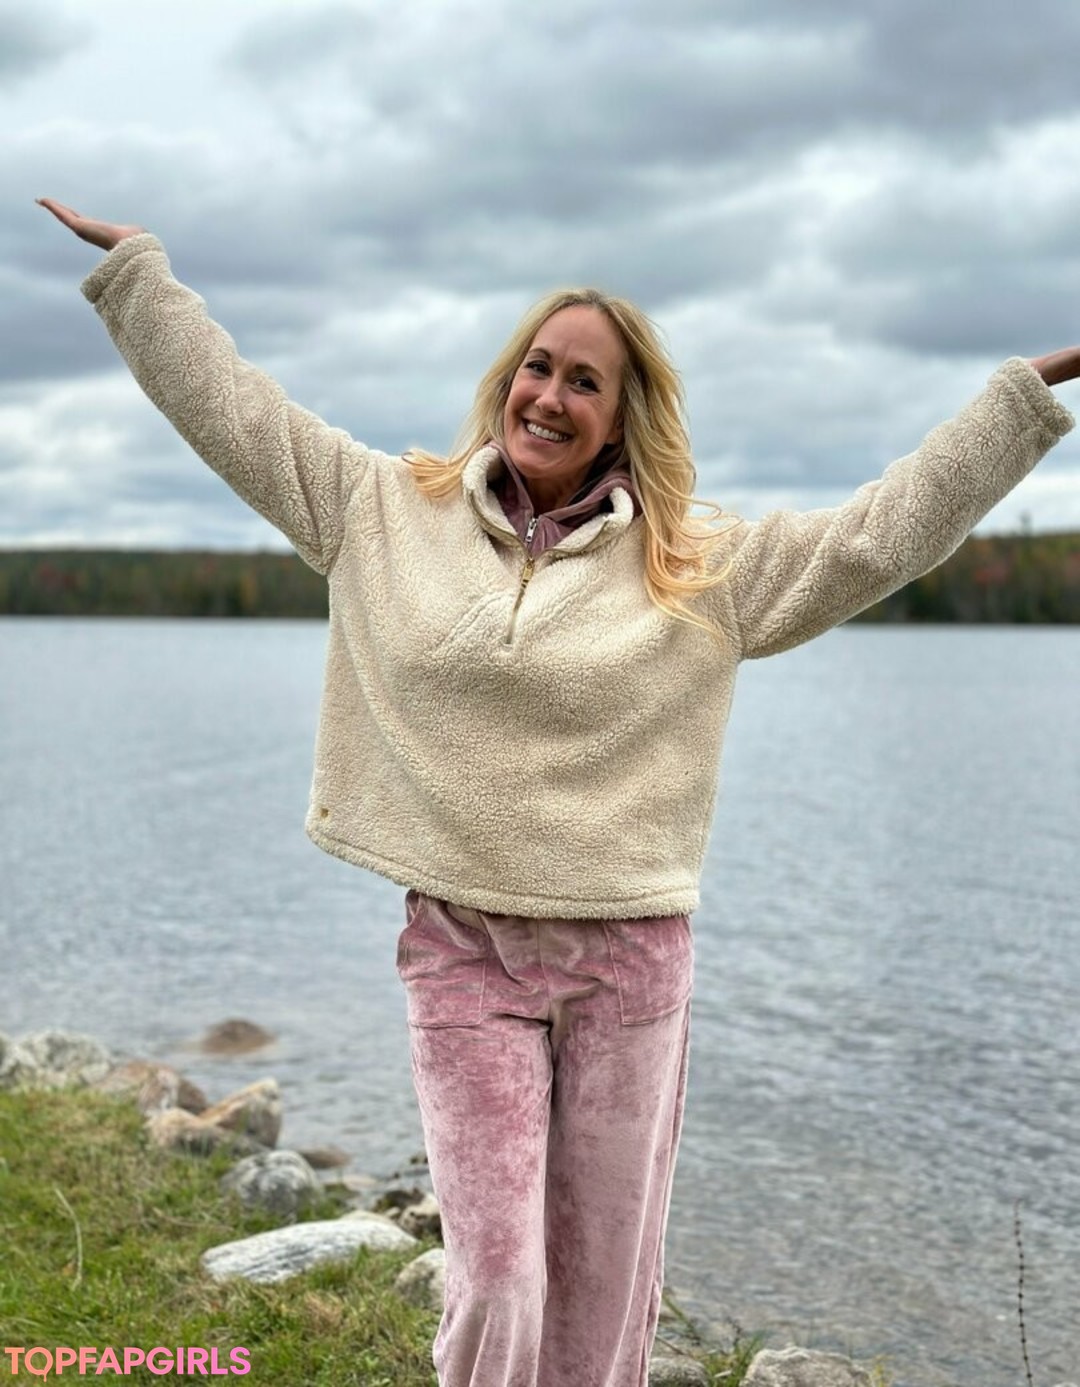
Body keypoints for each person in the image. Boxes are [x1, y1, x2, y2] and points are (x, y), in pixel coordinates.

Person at [37, 197, 1079, 1387]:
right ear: (506, 379)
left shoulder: (698, 568)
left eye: (586, 381)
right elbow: (237, 413)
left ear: (622, 419)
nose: (550, 394)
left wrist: (1017, 402)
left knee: (598, 1297)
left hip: (627, 966)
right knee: (498, 1278)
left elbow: (877, 535)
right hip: (464, 952)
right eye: (539, 365)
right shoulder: (384, 510)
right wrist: (140, 276)